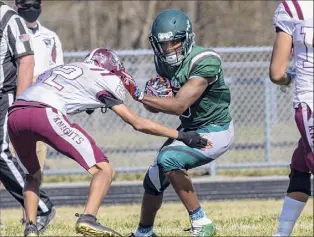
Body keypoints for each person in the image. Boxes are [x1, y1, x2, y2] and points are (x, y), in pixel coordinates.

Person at [7, 48, 211, 237]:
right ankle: (88, 218)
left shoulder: (65, 68)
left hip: (15, 114)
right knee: (104, 169)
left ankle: (31, 227)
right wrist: (181, 135)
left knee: (32, 175)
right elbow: (137, 123)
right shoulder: (103, 77)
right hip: (44, 113)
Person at [122, 9, 234, 237]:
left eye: (175, 41)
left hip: (215, 130)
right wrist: (152, 99)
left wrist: (140, 95)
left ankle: (201, 222)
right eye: (164, 44)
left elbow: (179, 105)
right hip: (189, 128)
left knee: (168, 159)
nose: (169, 48)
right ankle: (144, 232)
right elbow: (161, 105)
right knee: (153, 180)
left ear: (188, 38)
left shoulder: (205, 60)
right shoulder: (162, 62)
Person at [0, 0, 55, 233]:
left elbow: (26, 61)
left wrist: (19, 106)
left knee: (0, 152)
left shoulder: (9, 19)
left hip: (4, 96)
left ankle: (41, 207)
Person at [14, 0, 64, 225]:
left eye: (35, 3)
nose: (31, 9)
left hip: (38, 108)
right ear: (17, 6)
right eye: (26, 4)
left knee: (35, 169)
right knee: (8, 167)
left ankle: (30, 219)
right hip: (12, 108)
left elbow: (58, 71)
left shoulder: (50, 37)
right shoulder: (9, 33)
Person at [270, 1, 313, 236]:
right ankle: (282, 232)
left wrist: (288, 79)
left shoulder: (293, 7)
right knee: (301, 165)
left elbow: (277, 73)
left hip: (310, 102)